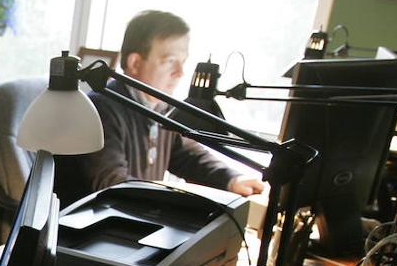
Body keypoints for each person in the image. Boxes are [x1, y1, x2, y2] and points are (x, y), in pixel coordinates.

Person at [56, 10, 266, 205]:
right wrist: (174, 200)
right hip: (87, 235)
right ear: (135, 63)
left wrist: (232, 179)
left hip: (132, 224)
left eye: (183, 62)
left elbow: (188, 156)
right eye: (170, 61)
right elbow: (112, 184)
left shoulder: (160, 108)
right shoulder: (100, 109)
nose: (180, 72)